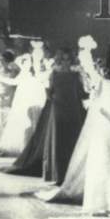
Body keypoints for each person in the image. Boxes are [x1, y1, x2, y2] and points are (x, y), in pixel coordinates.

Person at [38, 39, 110, 213]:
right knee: (104, 159)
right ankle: (101, 201)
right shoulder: (103, 76)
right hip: (105, 121)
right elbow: (95, 98)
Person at [42, 47, 89, 184]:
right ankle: (59, 175)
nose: (66, 62)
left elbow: (83, 93)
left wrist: (85, 77)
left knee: (72, 141)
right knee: (59, 141)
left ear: (73, 60)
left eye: (69, 59)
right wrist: (49, 94)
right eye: (63, 59)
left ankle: (71, 175)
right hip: (58, 109)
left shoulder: (76, 75)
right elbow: (49, 92)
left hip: (73, 109)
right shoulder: (54, 74)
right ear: (59, 59)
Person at [0, 40, 51, 157]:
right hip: (25, 98)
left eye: (40, 53)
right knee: (23, 120)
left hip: (38, 97)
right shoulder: (26, 68)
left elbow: (47, 83)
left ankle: (35, 149)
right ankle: (25, 148)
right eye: (35, 53)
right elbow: (14, 81)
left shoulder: (46, 68)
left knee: (37, 120)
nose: (37, 56)